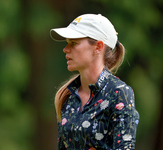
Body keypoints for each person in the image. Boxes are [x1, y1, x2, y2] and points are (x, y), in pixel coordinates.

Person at [50, 14, 139, 150]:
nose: (66, 49)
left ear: (98, 47)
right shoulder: (67, 97)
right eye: (67, 42)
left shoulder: (119, 93)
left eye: (73, 43)